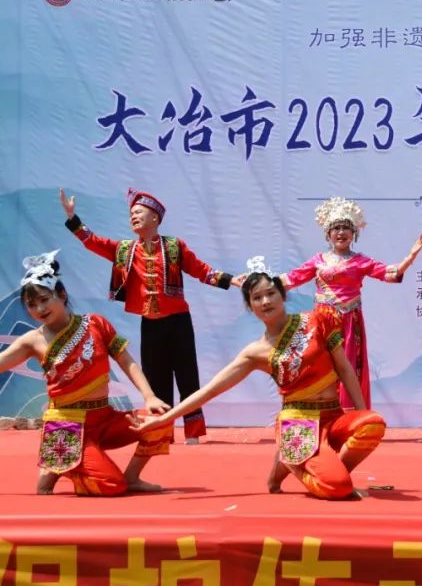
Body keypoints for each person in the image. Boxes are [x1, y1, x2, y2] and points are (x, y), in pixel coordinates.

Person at [134, 258, 386, 500]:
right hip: (299, 423)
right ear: (250, 306)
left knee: (372, 423)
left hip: (333, 415)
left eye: (270, 293)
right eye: (257, 298)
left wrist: (360, 413)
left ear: (282, 295)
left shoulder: (317, 320)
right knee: (337, 489)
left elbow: (345, 369)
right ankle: (298, 461)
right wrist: (165, 419)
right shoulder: (256, 352)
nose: (265, 301)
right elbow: (210, 391)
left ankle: (321, 467)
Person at [61, 188, 241, 444]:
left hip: (179, 323)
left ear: (155, 217)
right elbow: (93, 241)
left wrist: (231, 280)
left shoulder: (174, 246)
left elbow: (201, 270)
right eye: (131, 214)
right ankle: (162, 432)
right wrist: (72, 217)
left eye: (139, 212)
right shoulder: (125, 250)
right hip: (151, 325)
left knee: (187, 377)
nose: (133, 217)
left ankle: (193, 433)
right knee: (156, 381)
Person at [0, 251, 172, 495]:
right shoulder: (32, 341)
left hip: (105, 417)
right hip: (67, 424)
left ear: (62, 295)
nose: (39, 308)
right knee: (111, 486)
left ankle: (130, 476)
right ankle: (60, 457)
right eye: (31, 305)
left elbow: (126, 361)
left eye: (44, 299)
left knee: (162, 419)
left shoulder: (96, 324)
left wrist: (149, 396)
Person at [281, 196, 422, 410]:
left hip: (349, 322)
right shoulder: (318, 260)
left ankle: (349, 413)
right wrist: (257, 283)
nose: (341, 232)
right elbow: (291, 279)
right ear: (328, 233)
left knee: (349, 365)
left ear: (354, 234)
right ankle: (317, 411)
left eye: (346, 228)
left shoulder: (361, 261)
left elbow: (390, 273)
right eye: (336, 228)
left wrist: (410, 257)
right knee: (320, 364)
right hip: (322, 321)